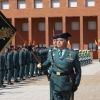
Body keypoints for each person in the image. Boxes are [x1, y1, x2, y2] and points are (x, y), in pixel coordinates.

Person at [37, 33, 81, 100]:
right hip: (55, 82)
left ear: (66, 42)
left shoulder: (72, 54)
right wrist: (42, 67)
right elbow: (47, 63)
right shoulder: (52, 53)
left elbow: (78, 70)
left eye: (61, 40)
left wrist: (76, 83)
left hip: (67, 82)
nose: (58, 42)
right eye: (57, 40)